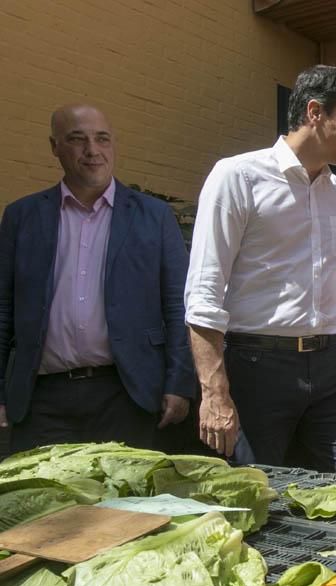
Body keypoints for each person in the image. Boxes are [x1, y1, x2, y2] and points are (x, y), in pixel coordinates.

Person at [185, 65, 336, 477]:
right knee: (257, 495)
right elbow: (203, 293)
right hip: (256, 368)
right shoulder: (238, 177)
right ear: (314, 112)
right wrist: (214, 391)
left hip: (332, 369)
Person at [0, 104, 194, 451]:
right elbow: (3, 310)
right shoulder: (22, 217)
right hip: (43, 400)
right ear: (54, 146)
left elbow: (178, 304)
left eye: (102, 139)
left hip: (126, 393)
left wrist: (179, 383)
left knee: (125, 503)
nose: (93, 150)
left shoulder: (153, 216)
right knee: (43, 502)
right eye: (77, 140)